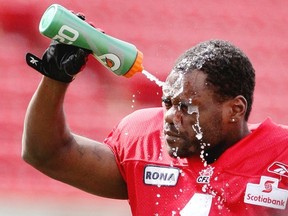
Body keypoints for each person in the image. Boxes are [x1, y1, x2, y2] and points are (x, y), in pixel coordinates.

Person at [22, 33, 288, 215]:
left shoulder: (281, 155)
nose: (171, 116)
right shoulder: (145, 141)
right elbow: (47, 153)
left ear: (235, 109)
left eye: (187, 107)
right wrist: (55, 78)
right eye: (168, 102)